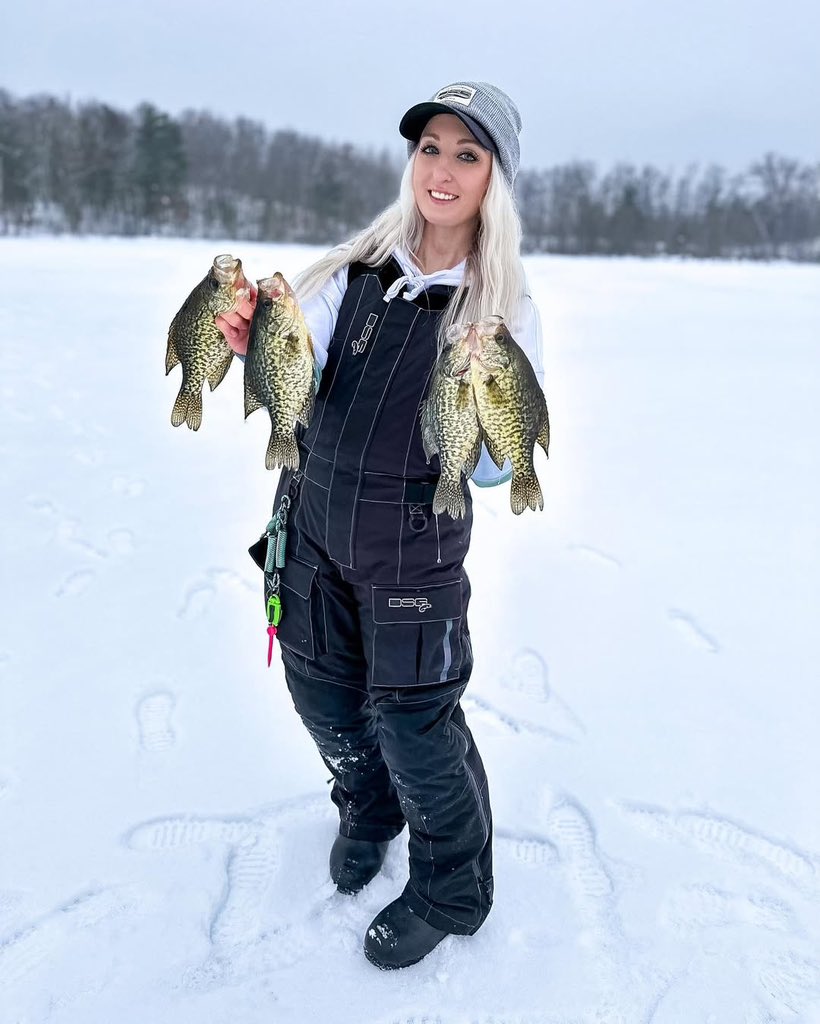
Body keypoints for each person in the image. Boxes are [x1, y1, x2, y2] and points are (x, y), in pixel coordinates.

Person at [217, 81, 545, 970]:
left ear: (494, 180)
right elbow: (297, 362)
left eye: (466, 154)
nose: (442, 170)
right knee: (322, 698)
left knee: (416, 727)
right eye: (430, 148)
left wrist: (484, 410)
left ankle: (452, 887)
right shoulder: (353, 270)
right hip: (314, 534)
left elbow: (494, 468)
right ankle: (367, 806)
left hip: (413, 558)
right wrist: (252, 335)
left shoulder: (503, 310)